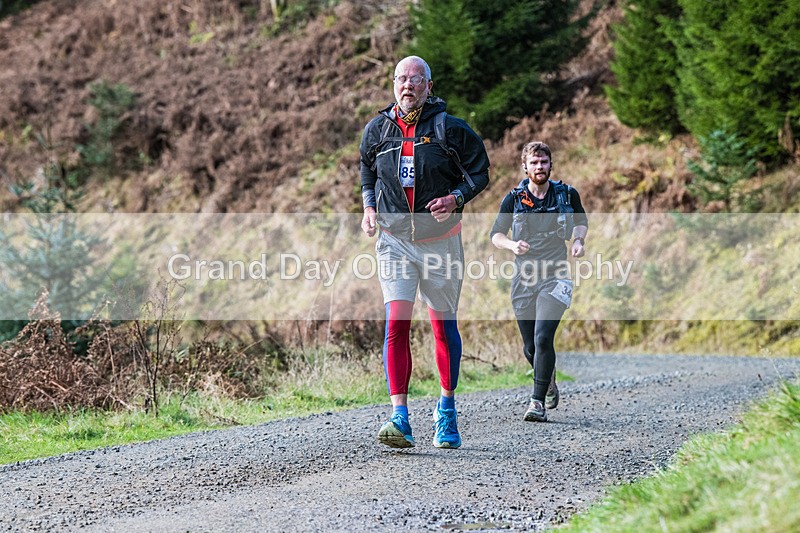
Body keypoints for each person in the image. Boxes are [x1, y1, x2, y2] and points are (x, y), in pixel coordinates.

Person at [359, 56, 490, 449]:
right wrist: (368, 206)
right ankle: (400, 417)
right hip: (394, 241)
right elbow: (366, 168)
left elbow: (480, 171)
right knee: (396, 323)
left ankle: (446, 411)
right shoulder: (377, 129)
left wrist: (456, 197)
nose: (408, 86)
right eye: (402, 79)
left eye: (417, 80)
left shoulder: (450, 129)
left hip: (440, 242)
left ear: (429, 86)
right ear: (393, 84)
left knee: (442, 327)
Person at [490, 141, 587, 422]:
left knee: (543, 337)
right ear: (525, 166)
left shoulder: (567, 195)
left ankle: (537, 402)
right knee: (530, 347)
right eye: (534, 163)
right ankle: (549, 378)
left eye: (543, 162)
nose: (539, 167)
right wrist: (510, 245)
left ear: (550, 164)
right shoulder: (514, 199)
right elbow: (495, 234)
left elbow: (581, 221)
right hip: (524, 277)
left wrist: (578, 240)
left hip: (556, 275)